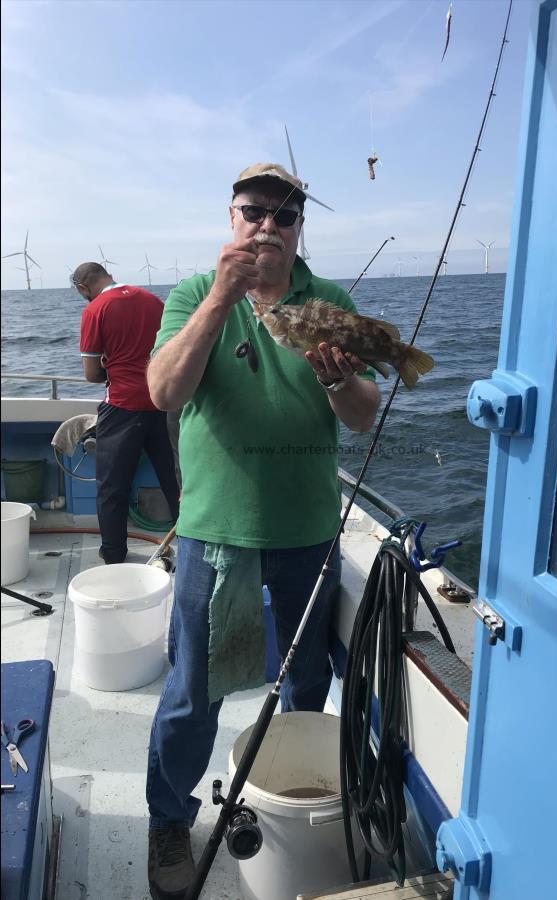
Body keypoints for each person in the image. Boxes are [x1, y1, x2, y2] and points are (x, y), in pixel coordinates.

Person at [144, 162, 380, 898]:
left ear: (300, 226)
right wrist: (221, 295)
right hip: (217, 534)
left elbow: (365, 411)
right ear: (231, 216)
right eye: (255, 211)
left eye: (285, 215)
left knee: (307, 680)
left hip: (308, 531)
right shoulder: (191, 293)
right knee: (194, 691)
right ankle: (168, 820)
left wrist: (340, 377)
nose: (268, 226)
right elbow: (162, 390)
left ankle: (294, 791)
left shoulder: (328, 299)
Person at [72, 262, 180, 563]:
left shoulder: (95, 310)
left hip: (121, 407)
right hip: (163, 403)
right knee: (175, 483)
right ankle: (194, 549)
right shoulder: (153, 301)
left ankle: (114, 555)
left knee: (112, 488)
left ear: (83, 287)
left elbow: (92, 373)